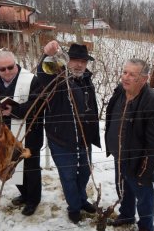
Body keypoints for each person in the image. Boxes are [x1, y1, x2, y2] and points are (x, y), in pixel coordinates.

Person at [37, 40, 100, 224]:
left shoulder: (87, 80)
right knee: (68, 176)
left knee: (85, 172)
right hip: (62, 140)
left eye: (83, 61)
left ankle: (81, 200)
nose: (79, 64)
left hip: (84, 139)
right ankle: (74, 207)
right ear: (67, 61)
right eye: (74, 60)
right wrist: (46, 55)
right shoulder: (57, 77)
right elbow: (42, 74)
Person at [105, 58, 154, 231]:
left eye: (132, 74)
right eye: (124, 72)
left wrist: (145, 171)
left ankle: (146, 227)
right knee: (124, 189)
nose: (125, 77)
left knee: (143, 195)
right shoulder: (120, 91)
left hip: (138, 160)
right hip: (119, 154)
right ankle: (126, 215)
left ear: (144, 79)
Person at [0, 51, 43, 216]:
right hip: (1, 134)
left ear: (16, 64)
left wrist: (14, 111)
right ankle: (24, 193)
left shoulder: (31, 80)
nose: (7, 72)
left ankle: (33, 200)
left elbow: (38, 104)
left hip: (28, 133)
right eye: (2, 69)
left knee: (30, 168)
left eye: (10, 67)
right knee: (9, 165)